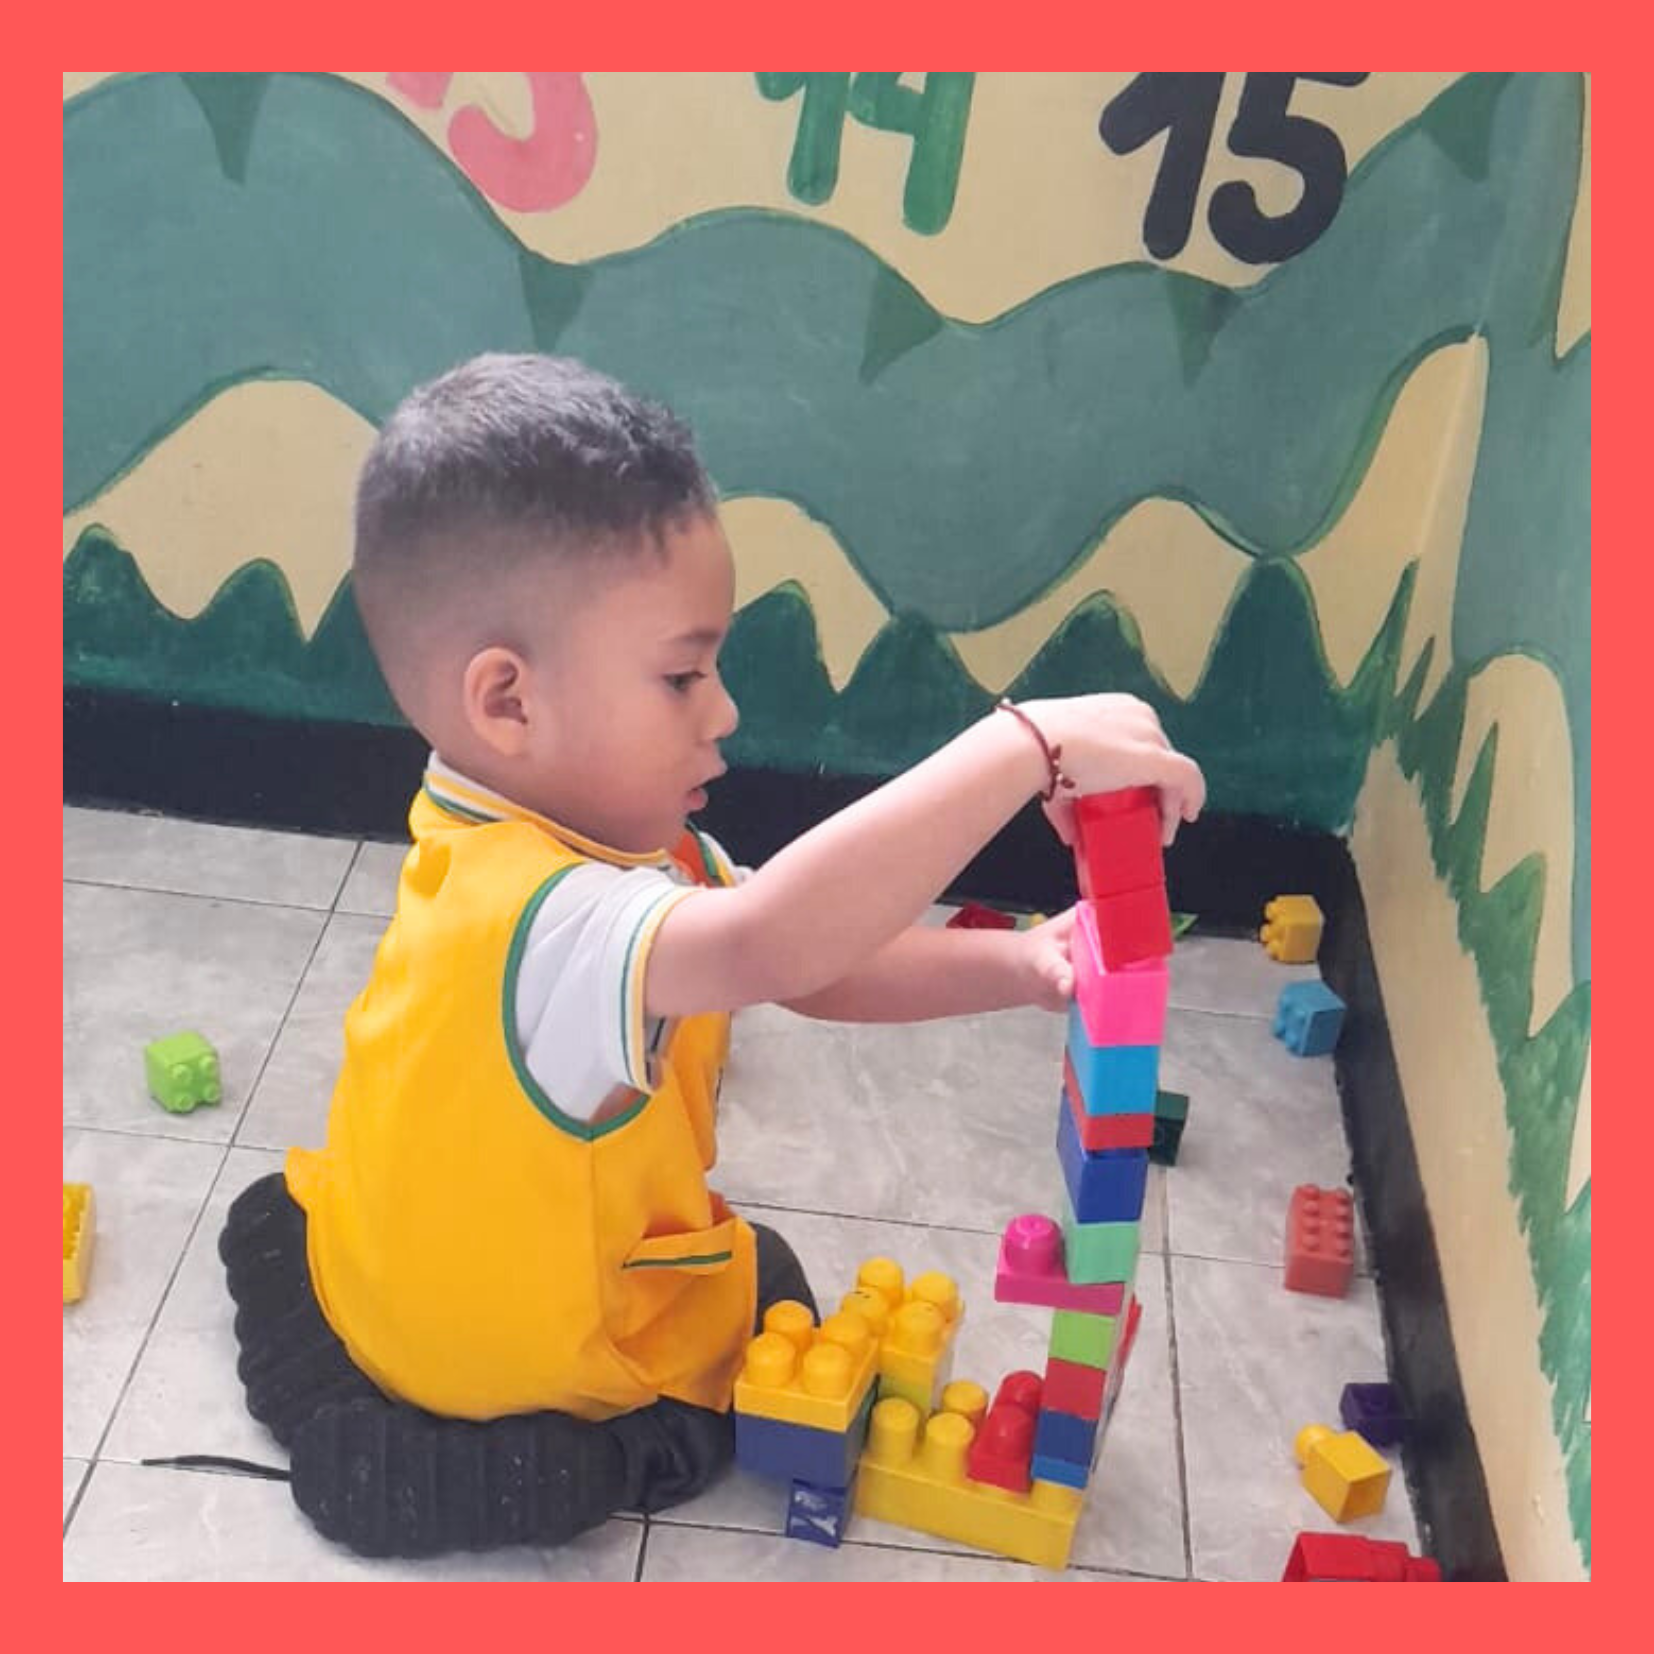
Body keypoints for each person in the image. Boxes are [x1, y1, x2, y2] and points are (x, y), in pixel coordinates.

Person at [217, 353, 1206, 1558]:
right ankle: (543, 1442)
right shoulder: (555, 919)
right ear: (509, 702)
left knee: (285, 1220)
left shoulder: (529, 829)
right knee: (720, 1351)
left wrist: (1016, 965)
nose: (723, 709)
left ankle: (355, 1349)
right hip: (511, 1348)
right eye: (683, 674)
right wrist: (1021, 748)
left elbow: (807, 963)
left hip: (392, 1260)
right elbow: (772, 938)